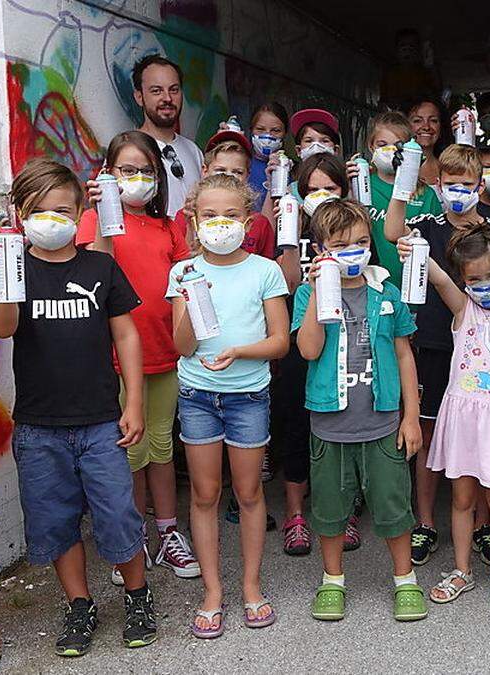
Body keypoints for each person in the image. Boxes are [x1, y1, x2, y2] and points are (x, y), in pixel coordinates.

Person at [0, 158, 155, 657]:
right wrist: (3, 267)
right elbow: (0, 327)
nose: (51, 218)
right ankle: (79, 605)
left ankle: (137, 595)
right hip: (39, 427)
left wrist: (136, 400)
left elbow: (126, 333)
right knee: (56, 521)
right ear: (19, 213)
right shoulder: (16, 268)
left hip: (102, 420)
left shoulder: (99, 266)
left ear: (82, 211)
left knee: (118, 515)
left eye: (63, 209)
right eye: (39, 210)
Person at [166, 174, 289, 638]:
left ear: (249, 220)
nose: (221, 223)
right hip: (198, 395)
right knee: (203, 494)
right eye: (210, 215)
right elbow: (181, 347)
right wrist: (191, 302)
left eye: (231, 215)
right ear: (194, 222)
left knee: (250, 493)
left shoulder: (264, 270)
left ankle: (252, 586)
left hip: (249, 396)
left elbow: (279, 343)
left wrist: (239, 352)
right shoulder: (183, 272)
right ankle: (213, 592)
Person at [292, 199, 426, 622]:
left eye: (362, 242)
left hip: (382, 421)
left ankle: (405, 581)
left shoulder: (384, 292)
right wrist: (317, 292)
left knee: (393, 504)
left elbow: (404, 355)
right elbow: (309, 349)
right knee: (330, 508)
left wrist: (411, 416)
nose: (354, 251)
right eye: (342, 244)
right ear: (321, 249)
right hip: (331, 425)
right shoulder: (306, 294)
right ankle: (333, 580)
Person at [79, 131, 200, 585]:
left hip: (165, 353)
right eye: (127, 170)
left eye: (146, 171)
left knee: (163, 446)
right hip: (115, 359)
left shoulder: (168, 227)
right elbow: (97, 270)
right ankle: (132, 539)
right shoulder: (93, 223)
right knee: (129, 452)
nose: (138, 179)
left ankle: (168, 532)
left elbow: (188, 278)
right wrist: (102, 211)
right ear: (107, 174)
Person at [395, 225, 490, 610]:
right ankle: (462, 570)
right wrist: (412, 245)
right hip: (465, 419)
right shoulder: (462, 310)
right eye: (474, 279)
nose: (484, 285)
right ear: (463, 281)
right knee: (463, 498)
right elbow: (435, 275)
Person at [384, 144, 490, 567]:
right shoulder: (426, 225)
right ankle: (426, 522)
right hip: (431, 341)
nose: (459, 192)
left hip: (482, 350)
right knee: (428, 437)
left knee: (483, 439)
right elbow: (393, 229)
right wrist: (405, 178)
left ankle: (484, 525)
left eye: (468, 184)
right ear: (438, 185)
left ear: (481, 186)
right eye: (451, 185)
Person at [272, 152, 355, 558]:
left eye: (330, 188)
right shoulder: (291, 229)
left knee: (341, 421)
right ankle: (296, 514)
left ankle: (344, 511)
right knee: (294, 421)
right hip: (298, 334)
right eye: (312, 189)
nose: (321, 196)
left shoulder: (353, 231)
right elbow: (288, 284)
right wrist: (289, 240)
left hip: (345, 337)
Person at [359, 111, 445, 286]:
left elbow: (437, 242)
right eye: (382, 144)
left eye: (397, 145)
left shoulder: (426, 194)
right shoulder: (362, 188)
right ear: (371, 146)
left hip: (418, 286)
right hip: (375, 287)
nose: (390, 151)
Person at [132, 54, 204, 217]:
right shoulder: (127, 150)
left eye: (174, 90)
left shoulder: (193, 151)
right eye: (156, 91)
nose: (167, 98)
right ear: (139, 97)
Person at [192, 129, 277, 259]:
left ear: (247, 175)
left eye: (237, 172)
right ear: (205, 171)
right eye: (220, 170)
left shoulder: (260, 222)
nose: (229, 176)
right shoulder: (187, 214)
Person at [380, 27, 441, 110]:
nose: (407, 51)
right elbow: (385, 100)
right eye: (403, 46)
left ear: (417, 51)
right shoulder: (390, 74)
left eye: (411, 46)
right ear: (396, 50)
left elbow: (436, 90)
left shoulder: (424, 72)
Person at [247, 102, 289, 209]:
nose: (268, 136)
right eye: (260, 129)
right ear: (251, 130)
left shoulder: (293, 170)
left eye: (275, 130)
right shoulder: (241, 166)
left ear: (285, 133)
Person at [406, 97, 447, 188]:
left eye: (433, 120)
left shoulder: (448, 168)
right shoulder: (397, 169)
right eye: (417, 121)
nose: (426, 127)